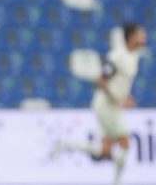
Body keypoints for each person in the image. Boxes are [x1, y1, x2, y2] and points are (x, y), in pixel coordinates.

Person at [52, 23, 148, 185]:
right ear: (131, 37)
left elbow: (122, 82)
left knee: (105, 151)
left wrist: (127, 97)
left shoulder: (134, 56)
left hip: (112, 105)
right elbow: (101, 81)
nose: (145, 37)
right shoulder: (117, 56)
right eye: (141, 34)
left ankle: (65, 145)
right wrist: (116, 99)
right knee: (125, 142)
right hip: (106, 105)